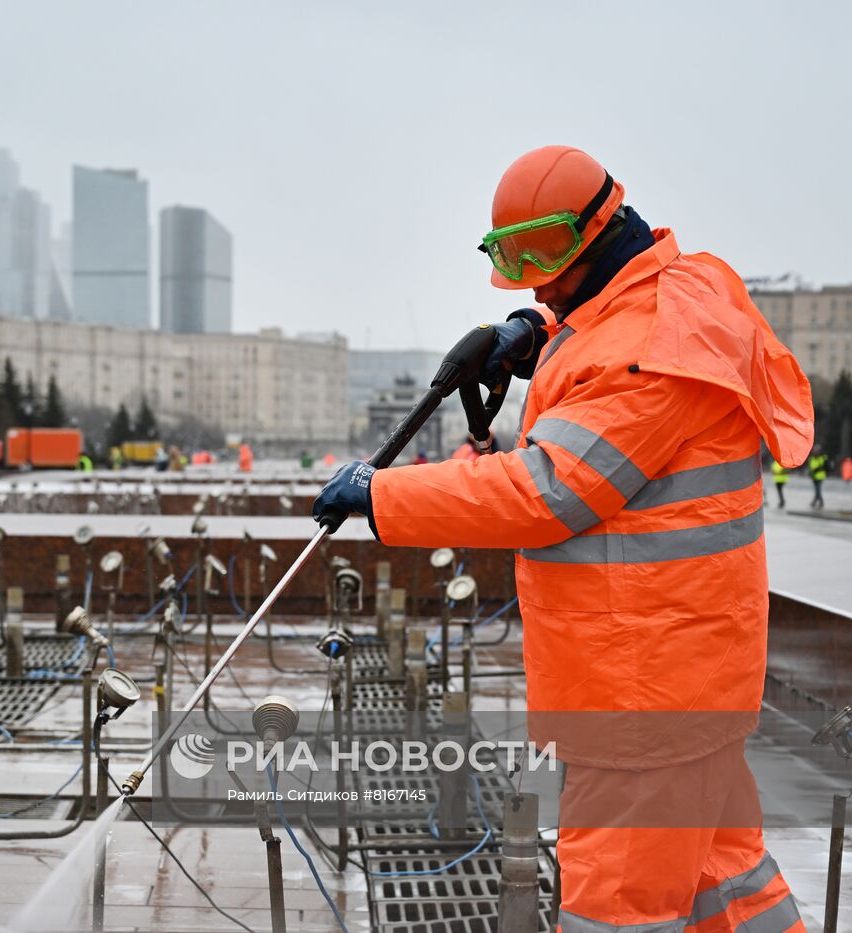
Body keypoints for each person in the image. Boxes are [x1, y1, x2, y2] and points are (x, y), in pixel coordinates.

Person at [314, 146, 810, 932]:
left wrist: (381, 495)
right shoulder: (686, 289)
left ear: (599, 231)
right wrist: (536, 327)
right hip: (692, 679)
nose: (537, 280)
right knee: (727, 881)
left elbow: (545, 491)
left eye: (547, 261)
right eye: (519, 266)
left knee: (616, 909)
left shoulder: (649, 357)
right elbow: (619, 298)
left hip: (638, 703)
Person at [808, 443, 827, 509]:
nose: (815, 452)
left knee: (818, 490)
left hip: (820, 476)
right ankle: (815, 502)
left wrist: (816, 469)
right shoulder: (811, 458)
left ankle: (820, 502)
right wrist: (810, 473)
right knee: (816, 490)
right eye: (815, 451)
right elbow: (810, 467)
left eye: (817, 451)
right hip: (814, 476)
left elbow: (823, 466)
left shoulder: (822, 458)